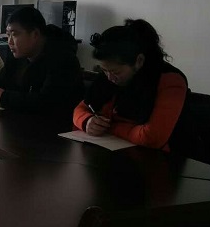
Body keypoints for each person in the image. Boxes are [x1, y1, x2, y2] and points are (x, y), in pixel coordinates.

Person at [73, 19, 191, 151]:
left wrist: (109, 127)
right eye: (104, 70)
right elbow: (80, 109)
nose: (109, 78)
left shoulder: (170, 81)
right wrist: (87, 121)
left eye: (116, 72)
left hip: (158, 158)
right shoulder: (108, 75)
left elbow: (151, 138)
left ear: (139, 61)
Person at [0, 6, 83, 122]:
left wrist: (3, 98)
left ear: (35, 34)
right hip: (21, 123)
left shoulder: (63, 59)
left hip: (56, 127)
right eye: (8, 35)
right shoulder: (19, 54)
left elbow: (47, 103)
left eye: (14, 34)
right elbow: (0, 81)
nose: (10, 42)